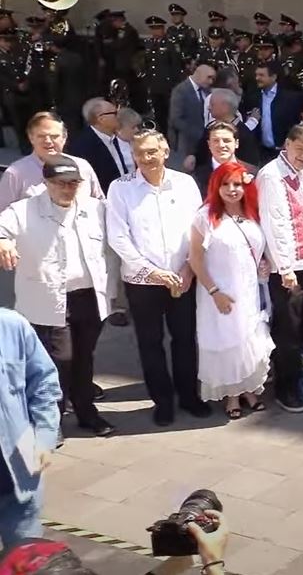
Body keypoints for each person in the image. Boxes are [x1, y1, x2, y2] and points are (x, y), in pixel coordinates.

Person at [0, 157, 114, 437]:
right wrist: (3, 241)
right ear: (46, 183)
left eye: (73, 183)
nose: (67, 188)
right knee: (59, 360)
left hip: (88, 295)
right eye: (60, 183)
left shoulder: (94, 208)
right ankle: (50, 420)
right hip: (48, 297)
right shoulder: (23, 209)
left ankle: (87, 413)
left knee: (84, 357)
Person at [106, 129, 210, 427]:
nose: (147, 158)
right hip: (143, 281)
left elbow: (197, 228)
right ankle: (162, 401)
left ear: (165, 151)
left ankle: (189, 396)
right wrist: (154, 272)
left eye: (152, 151)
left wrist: (190, 268)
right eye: (140, 153)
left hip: (183, 277)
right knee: (150, 342)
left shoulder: (185, 183)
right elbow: (118, 237)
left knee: (185, 339)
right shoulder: (120, 188)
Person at [187, 162, 274, 419]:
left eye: (237, 183)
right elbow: (195, 259)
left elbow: (257, 250)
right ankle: (232, 396)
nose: (232, 189)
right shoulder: (205, 217)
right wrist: (214, 291)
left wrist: (263, 264)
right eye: (225, 184)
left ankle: (249, 389)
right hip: (220, 292)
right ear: (216, 186)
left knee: (248, 338)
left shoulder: (252, 214)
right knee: (226, 340)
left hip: (249, 290)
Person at [257, 125, 303, 413]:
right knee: (287, 329)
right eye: (300, 147)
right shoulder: (272, 176)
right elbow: (275, 224)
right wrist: (285, 268)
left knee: (301, 326)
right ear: (286, 144)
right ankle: (286, 389)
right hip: (289, 269)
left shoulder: (301, 173)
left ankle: (297, 379)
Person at [0, 309, 60, 545]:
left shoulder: (12, 325)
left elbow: (44, 383)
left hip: (21, 480)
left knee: (25, 561)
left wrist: (44, 439)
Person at [0, 113, 104, 212]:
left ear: (64, 137)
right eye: (41, 136)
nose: (48, 141)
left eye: (54, 136)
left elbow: (100, 204)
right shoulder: (16, 173)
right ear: (31, 138)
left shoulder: (82, 166)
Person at [65, 97, 131, 193]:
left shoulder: (115, 138)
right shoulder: (84, 145)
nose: (119, 117)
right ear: (101, 119)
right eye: (115, 113)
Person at [249, 62, 302, 161]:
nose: (257, 78)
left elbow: (295, 122)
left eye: (261, 75)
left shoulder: (289, 97)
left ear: (273, 77)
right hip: (261, 152)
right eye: (256, 75)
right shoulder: (253, 96)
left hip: (284, 150)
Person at [168, 64, 216, 159]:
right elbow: (176, 119)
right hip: (186, 142)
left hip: (204, 143)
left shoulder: (207, 90)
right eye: (209, 77)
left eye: (213, 79)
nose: (211, 82)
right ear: (198, 74)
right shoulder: (180, 90)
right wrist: (199, 133)